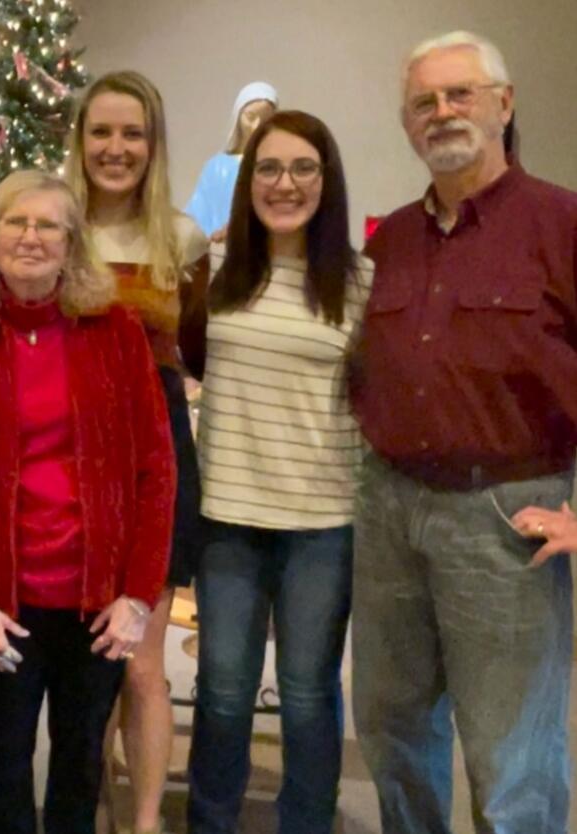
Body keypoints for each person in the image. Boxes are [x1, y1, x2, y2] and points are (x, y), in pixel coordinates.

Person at [350, 30, 577, 834]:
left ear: (503, 104)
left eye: (459, 94)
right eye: (423, 102)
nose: (441, 112)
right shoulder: (393, 240)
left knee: (508, 747)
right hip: (389, 513)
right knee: (389, 724)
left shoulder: (560, 222)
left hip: (505, 515)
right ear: (408, 126)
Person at [0, 170, 175, 834]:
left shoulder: (117, 331)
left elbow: (156, 471)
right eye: (15, 222)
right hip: (5, 602)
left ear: (73, 244)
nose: (31, 237)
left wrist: (136, 595)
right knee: (5, 762)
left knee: (79, 762)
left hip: (98, 601)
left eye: (48, 225)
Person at [182, 111, 371, 834]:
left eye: (302, 168)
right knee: (223, 693)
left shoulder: (360, 284)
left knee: (305, 694)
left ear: (326, 182)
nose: (283, 183)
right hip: (228, 518)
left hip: (322, 525)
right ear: (245, 179)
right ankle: (211, 823)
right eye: (268, 168)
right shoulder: (214, 275)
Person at [64, 69, 209, 834]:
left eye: (132, 133)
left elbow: (198, 353)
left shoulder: (180, 238)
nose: (115, 148)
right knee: (86, 672)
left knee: (143, 667)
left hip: (155, 464)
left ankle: (144, 822)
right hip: (65, 466)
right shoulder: (52, 228)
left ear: (151, 144)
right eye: (101, 132)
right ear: (78, 140)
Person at [185, 82, 278, 238]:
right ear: (238, 116)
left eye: (265, 120)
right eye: (250, 117)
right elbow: (197, 213)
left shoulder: (277, 169)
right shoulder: (218, 166)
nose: (256, 127)